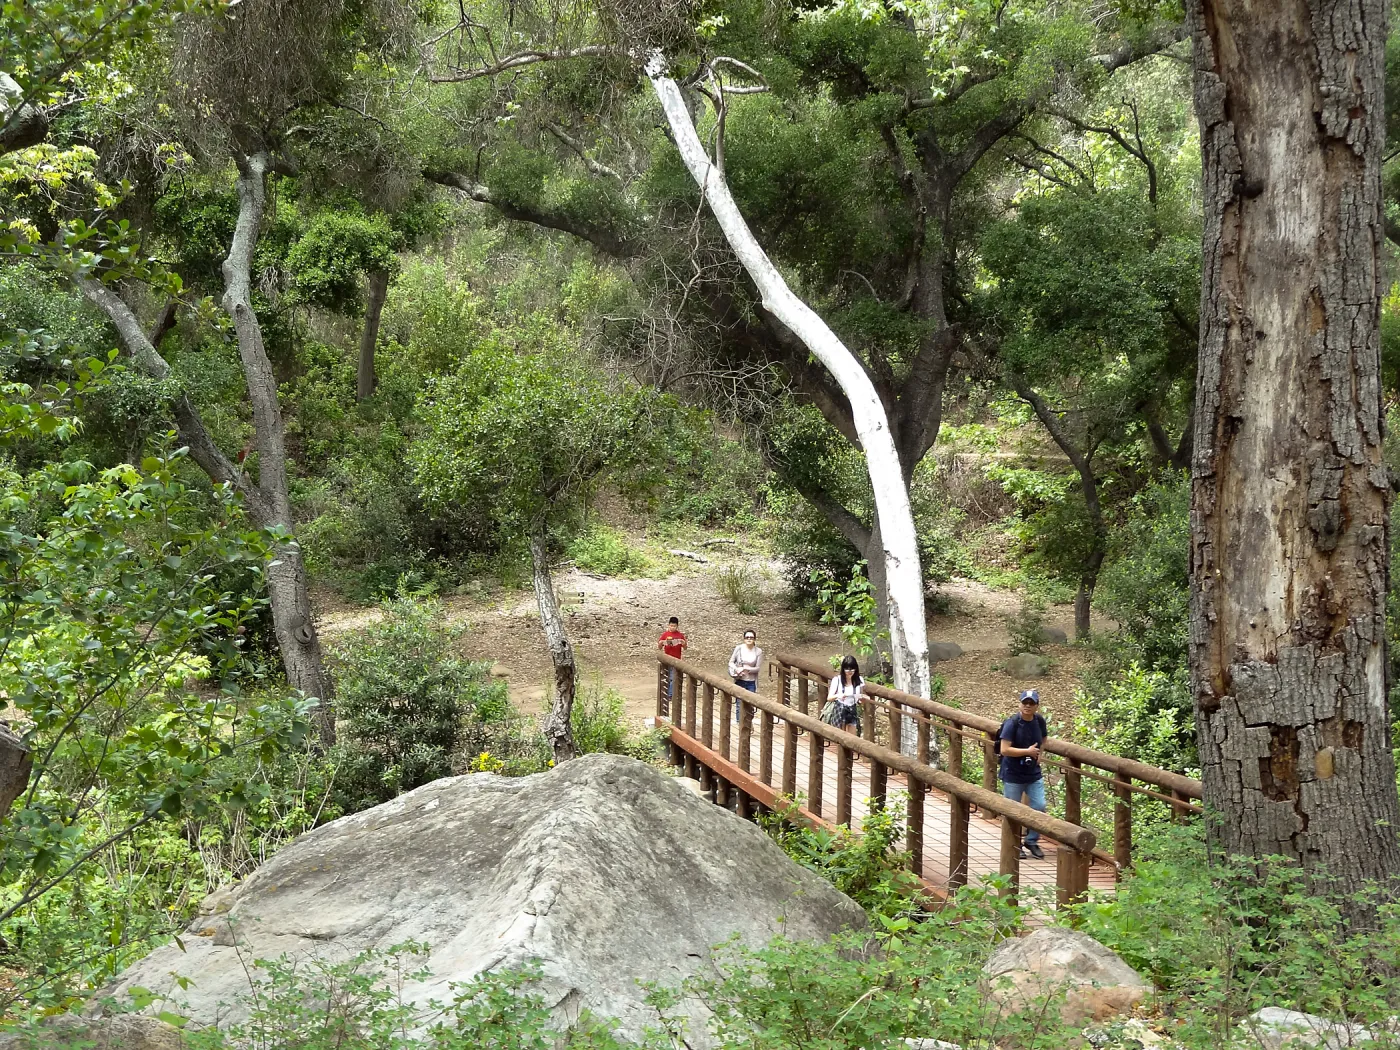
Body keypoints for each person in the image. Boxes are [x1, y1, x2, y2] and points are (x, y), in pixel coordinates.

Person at [998, 688, 1049, 859]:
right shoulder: (1012, 723)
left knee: (1039, 805)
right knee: (1013, 810)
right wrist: (1026, 751)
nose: (1027, 706)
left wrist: (1039, 753)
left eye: (1031, 703)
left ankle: (1032, 840)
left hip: (1033, 772)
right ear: (1019, 704)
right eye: (1024, 703)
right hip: (1012, 772)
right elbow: (1004, 749)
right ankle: (1014, 843)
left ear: (1037, 706)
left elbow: (1044, 739)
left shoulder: (1039, 721)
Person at [727, 628, 762, 722]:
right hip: (740, 679)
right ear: (744, 639)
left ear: (754, 639)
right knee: (739, 703)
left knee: (751, 704)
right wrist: (737, 669)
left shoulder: (758, 651)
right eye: (747, 637)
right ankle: (740, 724)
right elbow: (731, 662)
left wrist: (747, 669)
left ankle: (749, 723)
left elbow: (757, 668)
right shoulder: (739, 648)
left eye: (751, 637)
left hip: (751, 681)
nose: (749, 639)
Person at [824, 655, 863, 735]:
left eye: (852, 669)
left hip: (852, 709)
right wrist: (839, 695)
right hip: (840, 708)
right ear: (843, 669)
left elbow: (860, 696)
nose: (850, 671)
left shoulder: (859, 680)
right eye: (847, 669)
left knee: (852, 738)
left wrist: (861, 699)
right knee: (840, 736)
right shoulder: (837, 680)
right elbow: (829, 698)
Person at [657, 616, 687, 716]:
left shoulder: (680, 635)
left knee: (673, 678)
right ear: (668, 625)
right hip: (667, 659)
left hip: (676, 660)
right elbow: (659, 647)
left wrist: (683, 643)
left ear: (677, 626)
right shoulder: (665, 634)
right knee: (668, 677)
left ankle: (670, 694)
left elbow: (685, 648)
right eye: (670, 626)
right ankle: (668, 694)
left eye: (674, 626)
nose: (672, 627)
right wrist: (661, 643)